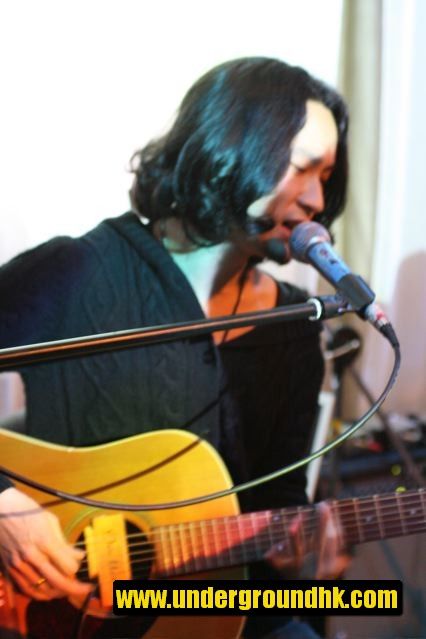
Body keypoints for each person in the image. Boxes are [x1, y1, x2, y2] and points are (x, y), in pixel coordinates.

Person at [0, 57, 351, 637]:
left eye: (327, 176)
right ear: (227, 150)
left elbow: (279, 500)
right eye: (303, 168)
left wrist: (304, 566)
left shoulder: (293, 325)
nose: (317, 198)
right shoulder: (80, 272)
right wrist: (5, 506)